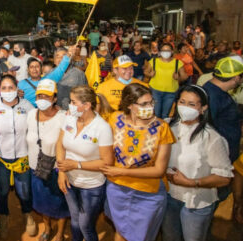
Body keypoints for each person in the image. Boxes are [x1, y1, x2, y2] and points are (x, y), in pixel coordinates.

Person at [102, 83, 175, 241]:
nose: (149, 107)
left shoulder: (162, 128)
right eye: (143, 104)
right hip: (118, 188)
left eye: (151, 103)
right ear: (129, 105)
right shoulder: (114, 119)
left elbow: (159, 170)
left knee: (141, 235)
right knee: (120, 230)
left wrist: (122, 171)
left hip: (147, 192)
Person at [162, 85, 233, 241]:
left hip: (196, 202)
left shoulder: (211, 138)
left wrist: (191, 182)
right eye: (182, 102)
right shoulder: (166, 126)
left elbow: (224, 177)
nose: (185, 107)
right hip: (169, 197)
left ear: (203, 108)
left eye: (192, 104)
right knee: (169, 237)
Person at [56, 86, 114, 241]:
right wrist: (62, 171)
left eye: (73, 102)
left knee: (85, 225)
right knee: (75, 221)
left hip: (91, 186)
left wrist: (76, 165)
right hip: (69, 181)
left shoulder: (102, 128)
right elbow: (60, 144)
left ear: (87, 105)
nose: (70, 105)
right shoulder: (69, 118)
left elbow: (107, 162)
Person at [0, 75, 36, 239]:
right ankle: (3, 217)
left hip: (23, 156)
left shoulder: (27, 106)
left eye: (11, 87)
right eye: (4, 88)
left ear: (17, 88)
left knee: (24, 191)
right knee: (2, 191)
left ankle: (27, 214)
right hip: (1, 158)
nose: (8, 91)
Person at [26, 79, 70, 241]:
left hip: (56, 170)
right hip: (36, 168)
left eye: (47, 97)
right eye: (40, 96)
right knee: (42, 202)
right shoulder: (31, 115)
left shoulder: (63, 117)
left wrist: (63, 171)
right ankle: (47, 227)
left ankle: (59, 233)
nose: (42, 100)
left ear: (55, 98)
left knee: (60, 203)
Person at [203, 56, 243, 163]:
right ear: (236, 78)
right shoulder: (213, 96)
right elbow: (206, 128)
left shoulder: (216, 91)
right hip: (219, 155)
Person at [144, 43, 188, 119]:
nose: (165, 52)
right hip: (155, 91)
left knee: (165, 114)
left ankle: (164, 129)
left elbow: (185, 76)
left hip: (171, 92)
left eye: (168, 50)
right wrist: (150, 74)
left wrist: (179, 78)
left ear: (172, 51)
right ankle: (157, 129)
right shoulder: (154, 61)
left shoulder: (177, 62)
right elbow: (146, 72)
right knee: (156, 113)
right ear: (160, 52)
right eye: (163, 50)